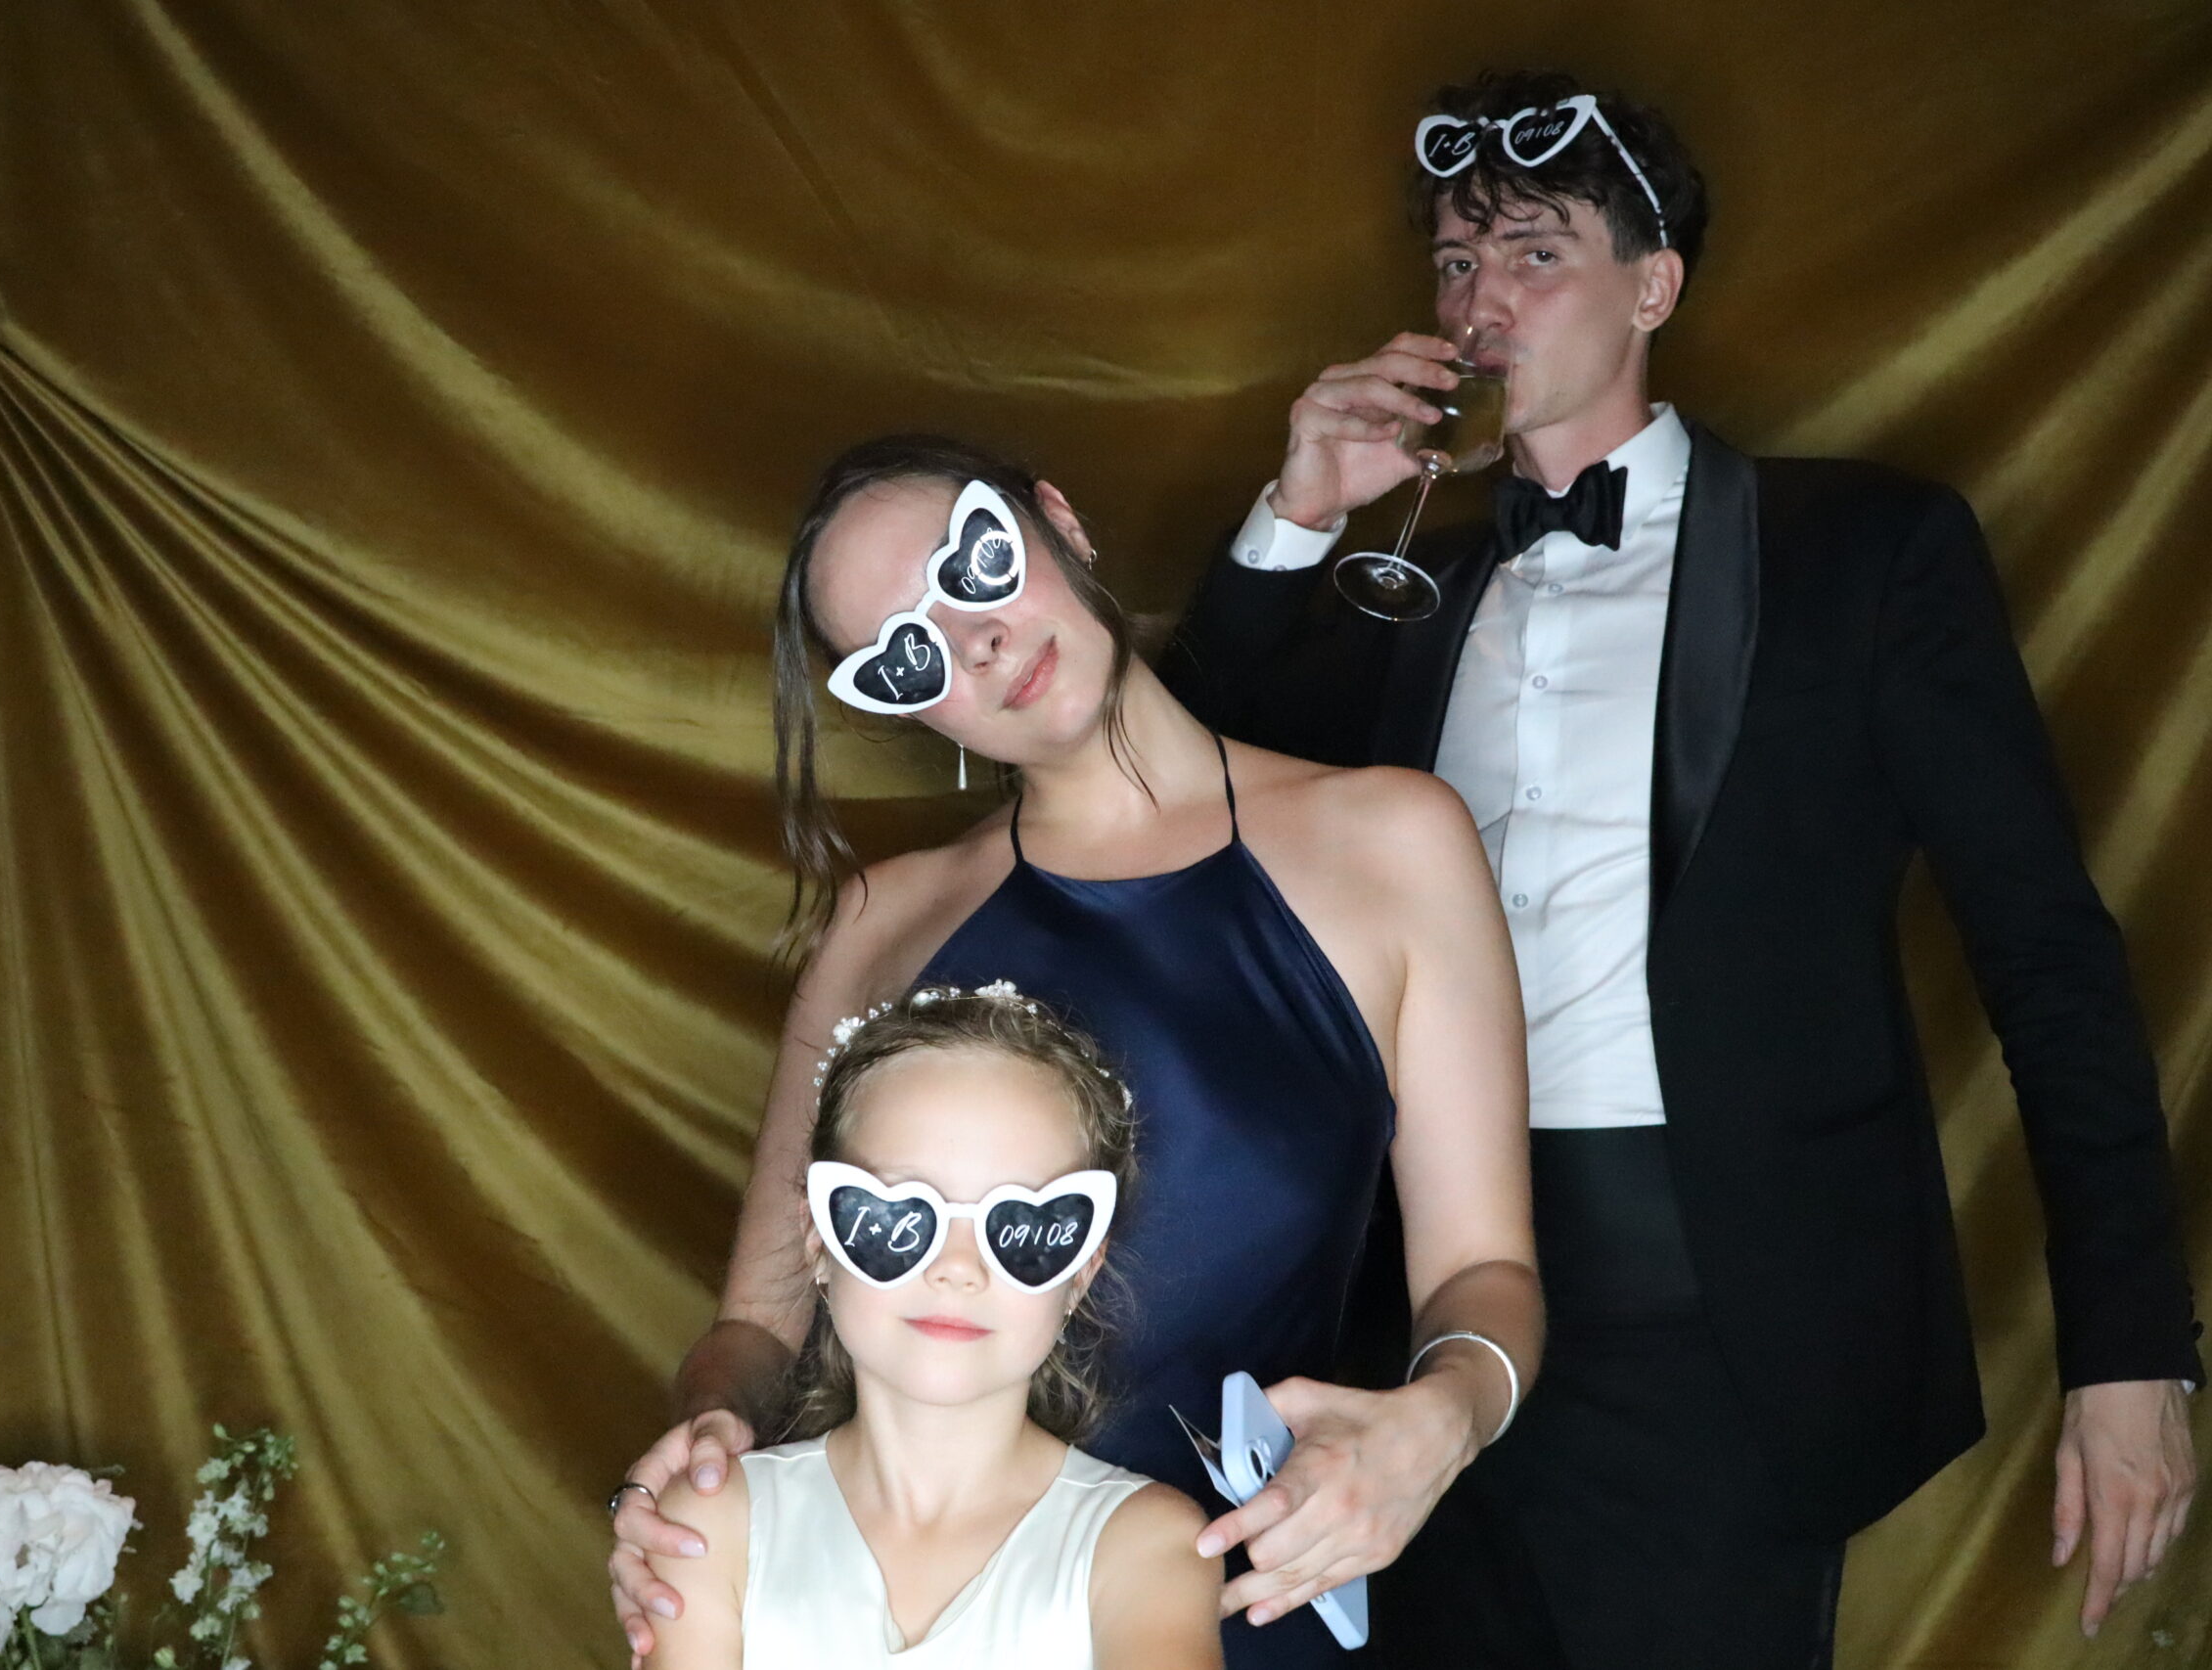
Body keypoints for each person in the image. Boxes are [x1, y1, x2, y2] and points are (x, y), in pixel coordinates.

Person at [1163, 66, 2201, 1670]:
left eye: (1536, 254)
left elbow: (2048, 954)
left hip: (1727, 1319)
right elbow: (1163, 800)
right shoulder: (1405, 597)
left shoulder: (1866, 554)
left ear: (1653, 288)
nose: (1481, 301)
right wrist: (1294, 517)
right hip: (1401, 1304)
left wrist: (2131, 1348)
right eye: (1456, 261)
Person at [609, 434, 1540, 1669]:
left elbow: (1484, 1269)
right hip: (911, 1609)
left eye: (976, 565)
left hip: (1255, 1589)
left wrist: (1445, 1416)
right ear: (906, 707)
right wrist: (705, 1440)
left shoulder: (1391, 841)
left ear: (1058, 520)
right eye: (908, 652)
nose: (976, 641)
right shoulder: (884, 919)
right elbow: (759, 1325)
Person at [640, 984, 1222, 1668]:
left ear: (1081, 1272)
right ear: (818, 1238)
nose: (957, 1267)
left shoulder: (1147, 1548)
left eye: (1022, 1225)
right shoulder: (713, 1525)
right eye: (899, 1214)